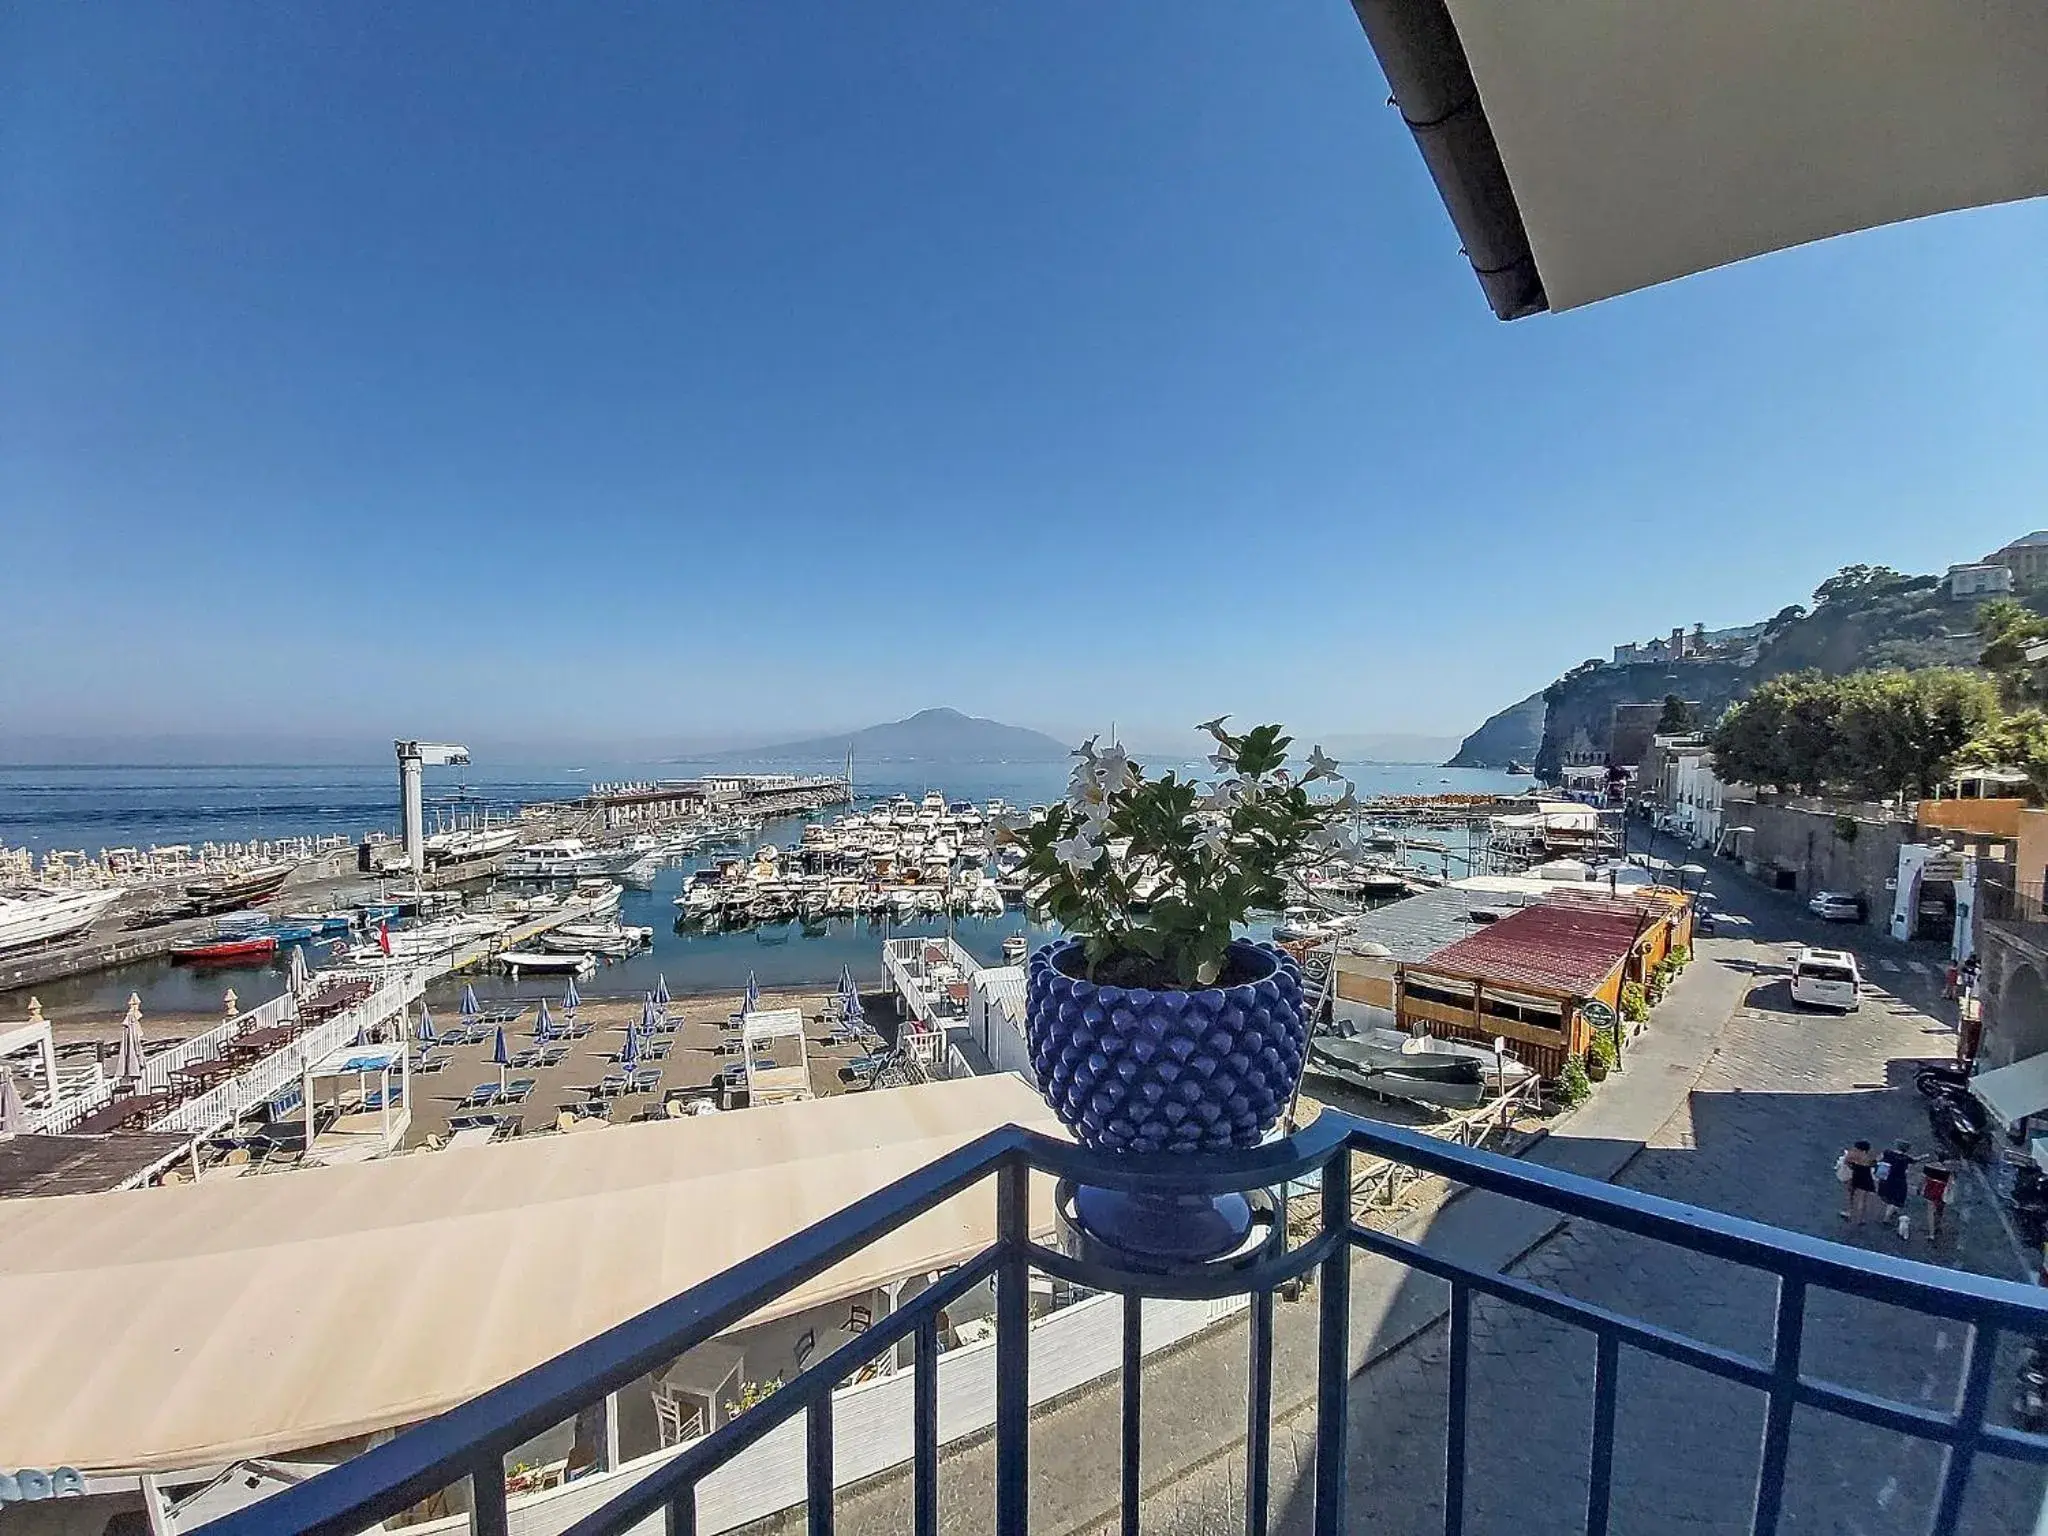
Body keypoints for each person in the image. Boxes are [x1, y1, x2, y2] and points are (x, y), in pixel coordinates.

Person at [1877, 1140, 1916, 1232]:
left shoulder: (1887, 1152)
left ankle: (1890, 1213)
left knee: (1888, 1197)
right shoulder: (1905, 1158)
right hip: (1899, 1181)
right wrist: (1924, 1157)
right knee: (1896, 1199)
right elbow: (1914, 1161)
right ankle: (1887, 1217)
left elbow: (1878, 1159)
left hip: (1886, 1178)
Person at [1841, 1140, 1879, 1224]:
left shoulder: (1853, 1155)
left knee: (1851, 1195)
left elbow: (1846, 1162)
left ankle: (1849, 1212)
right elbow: (1875, 1166)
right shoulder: (1870, 1157)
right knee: (1862, 1199)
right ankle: (1861, 1219)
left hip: (1854, 1175)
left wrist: (1852, 1166)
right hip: (1866, 1178)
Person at [1922, 1162, 1954, 1239]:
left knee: (1930, 1212)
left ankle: (1931, 1234)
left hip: (1930, 1189)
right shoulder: (1949, 1171)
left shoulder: (1929, 1166)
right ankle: (1938, 1226)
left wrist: (1921, 1188)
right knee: (1940, 1210)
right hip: (1942, 1191)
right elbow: (1950, 1184)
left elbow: (1924, 1178)